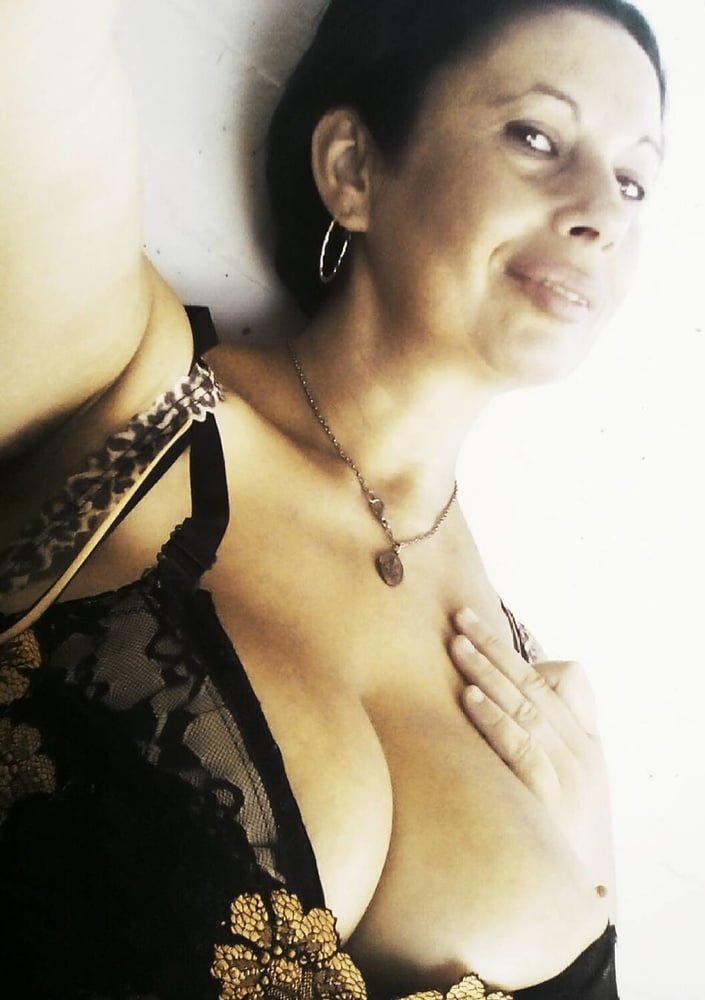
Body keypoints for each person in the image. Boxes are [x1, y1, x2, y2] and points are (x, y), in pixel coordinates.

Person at [0, 0, 665, 997]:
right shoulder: (123, 404)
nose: (601, 213)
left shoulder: (526, 700)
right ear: (353, 168)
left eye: (633, 179)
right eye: (537, 136)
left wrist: (599, 892)